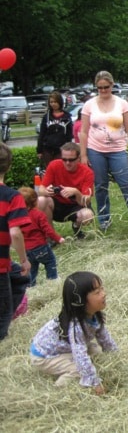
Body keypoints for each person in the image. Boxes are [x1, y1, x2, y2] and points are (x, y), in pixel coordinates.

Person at [30, 271, 118, 395]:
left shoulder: (94, 316)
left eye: (102, 289)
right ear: (80, 301)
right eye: (97, 292)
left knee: (97, 352)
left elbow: (105, 339)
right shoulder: (75, 326)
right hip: (44, 357)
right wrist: (95, 383)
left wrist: (116, 358)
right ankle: (57, 391)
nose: (104, 294)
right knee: (78, 370)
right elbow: (80, 355)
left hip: (65, 350)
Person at [80, 70, 128, 231]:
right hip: (95, 149)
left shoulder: (122, 103)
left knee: (126, 184)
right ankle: (104, 219)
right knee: (100, 185)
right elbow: (83, 131)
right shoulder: (89, 105)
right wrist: (83, 154)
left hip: (118, 149)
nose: (103, 90)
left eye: (106, 87)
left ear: (112, 85)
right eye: (100, 87)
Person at [0, 143, 31, 341]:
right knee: (3, 314)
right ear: (9, 166)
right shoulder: (11, 196)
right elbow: (15, 233)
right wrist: (24, 259)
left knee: (20, 279)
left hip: (5, 264)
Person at [37, 142, 95, 239]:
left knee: (88, 216)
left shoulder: (87, 172)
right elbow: (40, 189)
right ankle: (52, 236)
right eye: (64, 159)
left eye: (71, 160)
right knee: (42, 200)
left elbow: (86, 201)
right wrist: (47, 192)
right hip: (58, 204)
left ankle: (76, 226)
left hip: (77, 205)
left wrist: (76, 192)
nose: (67, 162)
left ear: (79, 159)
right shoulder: (54, 165)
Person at [18, 187, 64, 286]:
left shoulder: (19, 217)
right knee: (50, 261)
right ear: (35, 202)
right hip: (40, 246)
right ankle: (52, 280)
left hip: (27, 249)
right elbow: (48, 230)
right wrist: (58, 238)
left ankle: (30, 285)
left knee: (32, 267)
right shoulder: (38, 215)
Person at [37, 91, 74, 169]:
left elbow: (69, 135)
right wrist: (39, 150)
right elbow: (42, 134)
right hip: (47, 149)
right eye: (51, 102)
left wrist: (69, 149)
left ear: (60, 102)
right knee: (49, 169)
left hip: (61, 149)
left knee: (60, 169)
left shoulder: (67, 117)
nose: (53, 104)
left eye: (55, 102)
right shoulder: (46, 117)